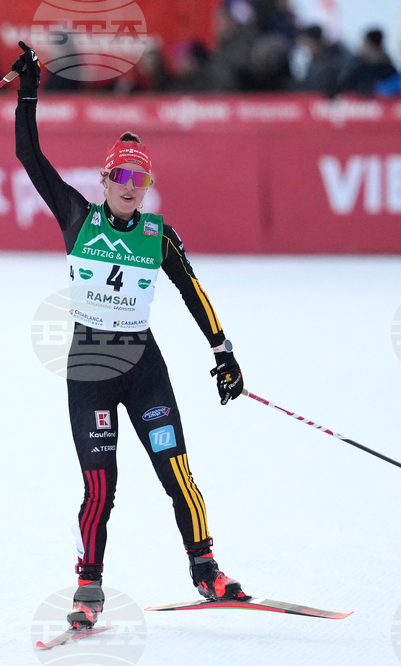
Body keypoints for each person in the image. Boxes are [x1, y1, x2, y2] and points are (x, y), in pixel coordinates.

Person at [12, 42, 248, 630]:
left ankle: (207, 569)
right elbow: (29, 156)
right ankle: (87, 587)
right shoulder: (77, 216)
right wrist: (29, 91)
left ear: (147, 185)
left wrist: (223, 352)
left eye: (138, 178)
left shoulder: (158, 236)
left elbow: (193, 292)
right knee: (101, 487)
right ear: (104, 179)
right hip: (91, 367)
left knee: (177, 473)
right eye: (120, 175)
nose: (129, 185)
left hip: (144, 368)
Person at [338, 28, 397, 96]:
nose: (361, 47)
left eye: (364, 43)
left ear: (371, 46)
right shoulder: (356, 65)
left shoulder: (388, 69)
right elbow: (345, 85)